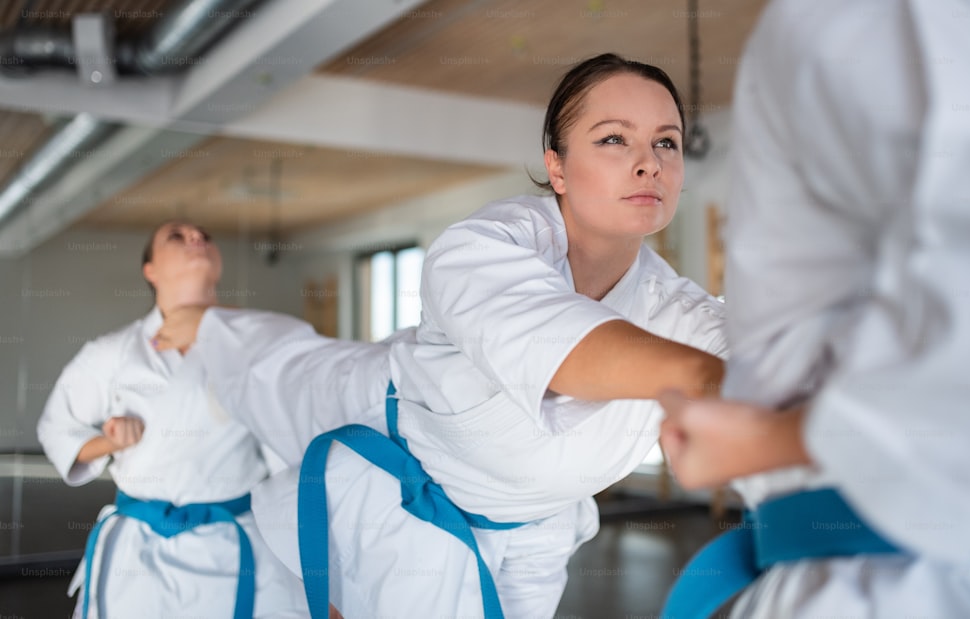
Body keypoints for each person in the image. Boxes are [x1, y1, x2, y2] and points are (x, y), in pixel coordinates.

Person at [158, 53, 727, 618]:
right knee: (273, 368)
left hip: (529, 525)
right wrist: (707, 376)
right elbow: (568, 351)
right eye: (613, 140)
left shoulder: (672, 307)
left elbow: (757, 361)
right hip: (383, 431)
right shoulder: (483, 247)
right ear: (556, 167)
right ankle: (205, 323)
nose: (649, 163)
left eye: (666, 142)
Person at [659, 0, 970, 617]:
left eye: (666, 142)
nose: (649, 164)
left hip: (900, 573)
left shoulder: (849, 16)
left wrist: (767, 438)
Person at [37, 221, 310, 618]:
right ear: (150, 270)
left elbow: (291, 453)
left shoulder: (257, 341)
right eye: (176, 237)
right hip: (139, 550)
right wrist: (109, 442)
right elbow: (55, 427)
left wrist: (319, 567)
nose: (196, 238)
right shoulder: (112, 352)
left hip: (234, 543)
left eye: (203, 235)